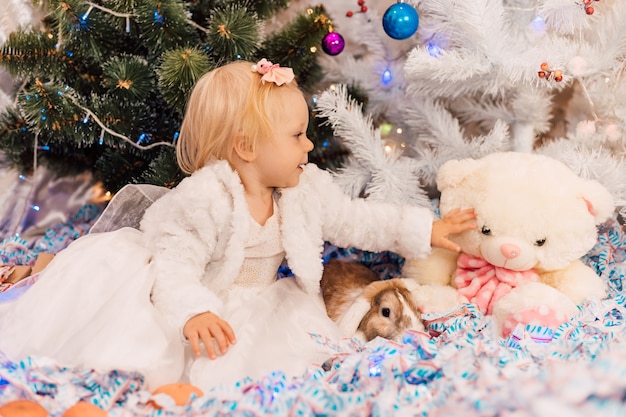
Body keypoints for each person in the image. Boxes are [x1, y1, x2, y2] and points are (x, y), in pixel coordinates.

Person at [0, 59, 476, 391]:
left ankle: (48, 264)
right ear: (247, 148)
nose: (309, 146)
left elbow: (354, 219)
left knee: (286, 355)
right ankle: (48, 267)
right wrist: (194, 313)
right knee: (114, 316)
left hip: (258, 297)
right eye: (296, 136)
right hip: (182, 287)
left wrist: (422, 230)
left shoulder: (303, 186)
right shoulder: (206, 197)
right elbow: (174, 270)